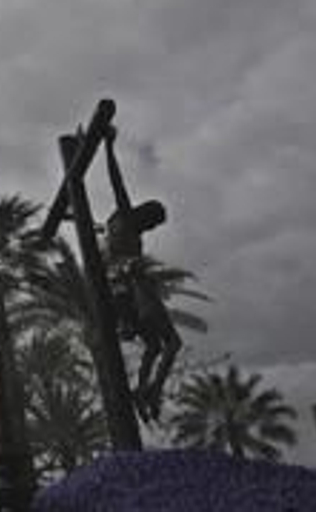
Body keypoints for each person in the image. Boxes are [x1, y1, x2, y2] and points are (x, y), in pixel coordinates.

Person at [102, 126, 182, 422]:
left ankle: (143, 389)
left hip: (121, 291)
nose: (152, 230)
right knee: (171, 344)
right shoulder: (127, 218)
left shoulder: (113, 225)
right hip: (136, 288)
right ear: (145, 215)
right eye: (153, 224)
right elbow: (116, 180)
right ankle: (151, 391)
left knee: (153, 346)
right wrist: (109, 146)